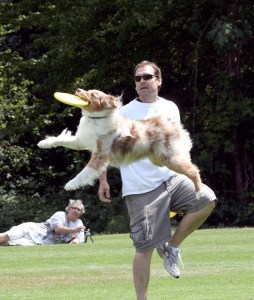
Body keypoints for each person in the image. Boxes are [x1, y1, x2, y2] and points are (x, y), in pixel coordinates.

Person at [98, 60, 217, 300]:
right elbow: (102, 144)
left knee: (206, 198)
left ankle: (172, 247)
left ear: (158, 80)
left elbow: (177, 142)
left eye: (147, 77)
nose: (142, 82)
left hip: (171, 178)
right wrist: (102, 179)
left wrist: (186, 168)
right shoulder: (124, 112)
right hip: (141, 189)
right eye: (138, 79)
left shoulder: (170, 108)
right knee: (144, 249)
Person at [0, 199, 86, 246]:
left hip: (40, 242)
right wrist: (74, 230)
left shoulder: (79, 223)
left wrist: (75, 241)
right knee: (7, 236)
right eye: (74, 208)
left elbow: (79, 239)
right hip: (32, 229)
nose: (76, 211)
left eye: (79, 210)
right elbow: (58, 229)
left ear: (81, 213)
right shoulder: (60, 214)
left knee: (6, 243)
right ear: (68, 209)